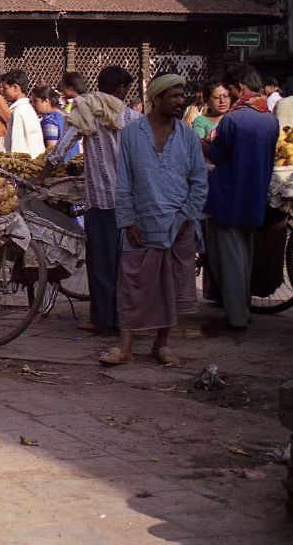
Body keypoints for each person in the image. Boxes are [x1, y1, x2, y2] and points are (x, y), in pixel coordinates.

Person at [100, 74, 207, 368]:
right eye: (173, 96)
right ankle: (124, 347)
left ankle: (162, 343)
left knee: (170, 286)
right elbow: (124, 182)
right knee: (131, 285)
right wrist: (129, 221)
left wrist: (187, 216)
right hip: (141, 226)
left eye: (182, 95)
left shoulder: (187, 136)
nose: (180, 100)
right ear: (156, 100)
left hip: (178, 225)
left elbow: (199, 182)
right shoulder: (133, 134)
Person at [39, 65, 143, 334]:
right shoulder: (133, 118)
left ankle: (103, 319)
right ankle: (124, 319)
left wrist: (40, 179)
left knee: (101, 263)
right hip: (130, 202)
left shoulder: (88, 112)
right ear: (122, 90)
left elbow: (59, 151)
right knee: (125, 264)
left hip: (101, 202)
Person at [201, 64, 280, 335]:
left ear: (239, 88)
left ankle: (235, 318)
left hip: (229, 196)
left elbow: (218, 156)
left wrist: (199, 142)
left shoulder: (234, 120)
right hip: (254, 196)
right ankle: (242, 311)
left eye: (231, 90)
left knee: (231, 260)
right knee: (244, 256)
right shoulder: (270, 119)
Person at [2, 69, 44, 158]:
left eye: (5, 88)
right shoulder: (26, 108)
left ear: (15, 88)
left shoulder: (19, 111)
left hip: (24, 165)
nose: (3, 92)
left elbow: (18, 145)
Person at [31, 85, 66, 152]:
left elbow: (51, 149)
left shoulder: (49, 120)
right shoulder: (64, 115)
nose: (33, 104)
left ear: (46, 101)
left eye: (35, 101)